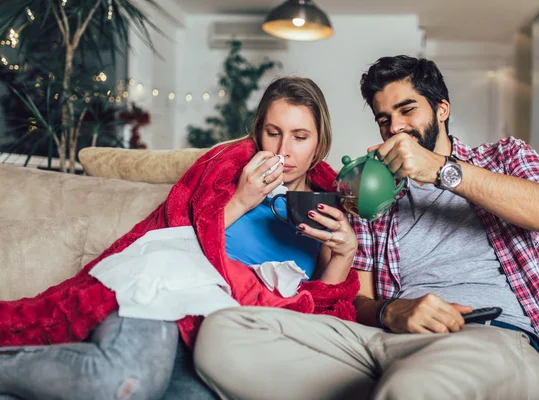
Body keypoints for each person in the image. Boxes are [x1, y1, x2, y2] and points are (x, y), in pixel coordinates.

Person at [193, 56, 539, 400]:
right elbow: (354, 300)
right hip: (386, 342)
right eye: (383, 119)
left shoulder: (504, 157)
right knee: (223, 335)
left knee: (416, 386)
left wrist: (441, 171)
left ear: (442, 109)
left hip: (485, 335)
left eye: (407, 110)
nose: (395, 127)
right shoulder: (369, 192)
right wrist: (391, 312)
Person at [0, 76, 358, 400]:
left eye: (300, 137)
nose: (284, 149)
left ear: (319, 143)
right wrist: (240, 201)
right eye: (273, 132)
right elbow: (174, 233)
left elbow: (320, 311)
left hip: (222, 336)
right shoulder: (229, 172)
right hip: (161, 292)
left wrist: (343, 254)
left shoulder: (326, 205)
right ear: (258, 133)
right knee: (124, 381)